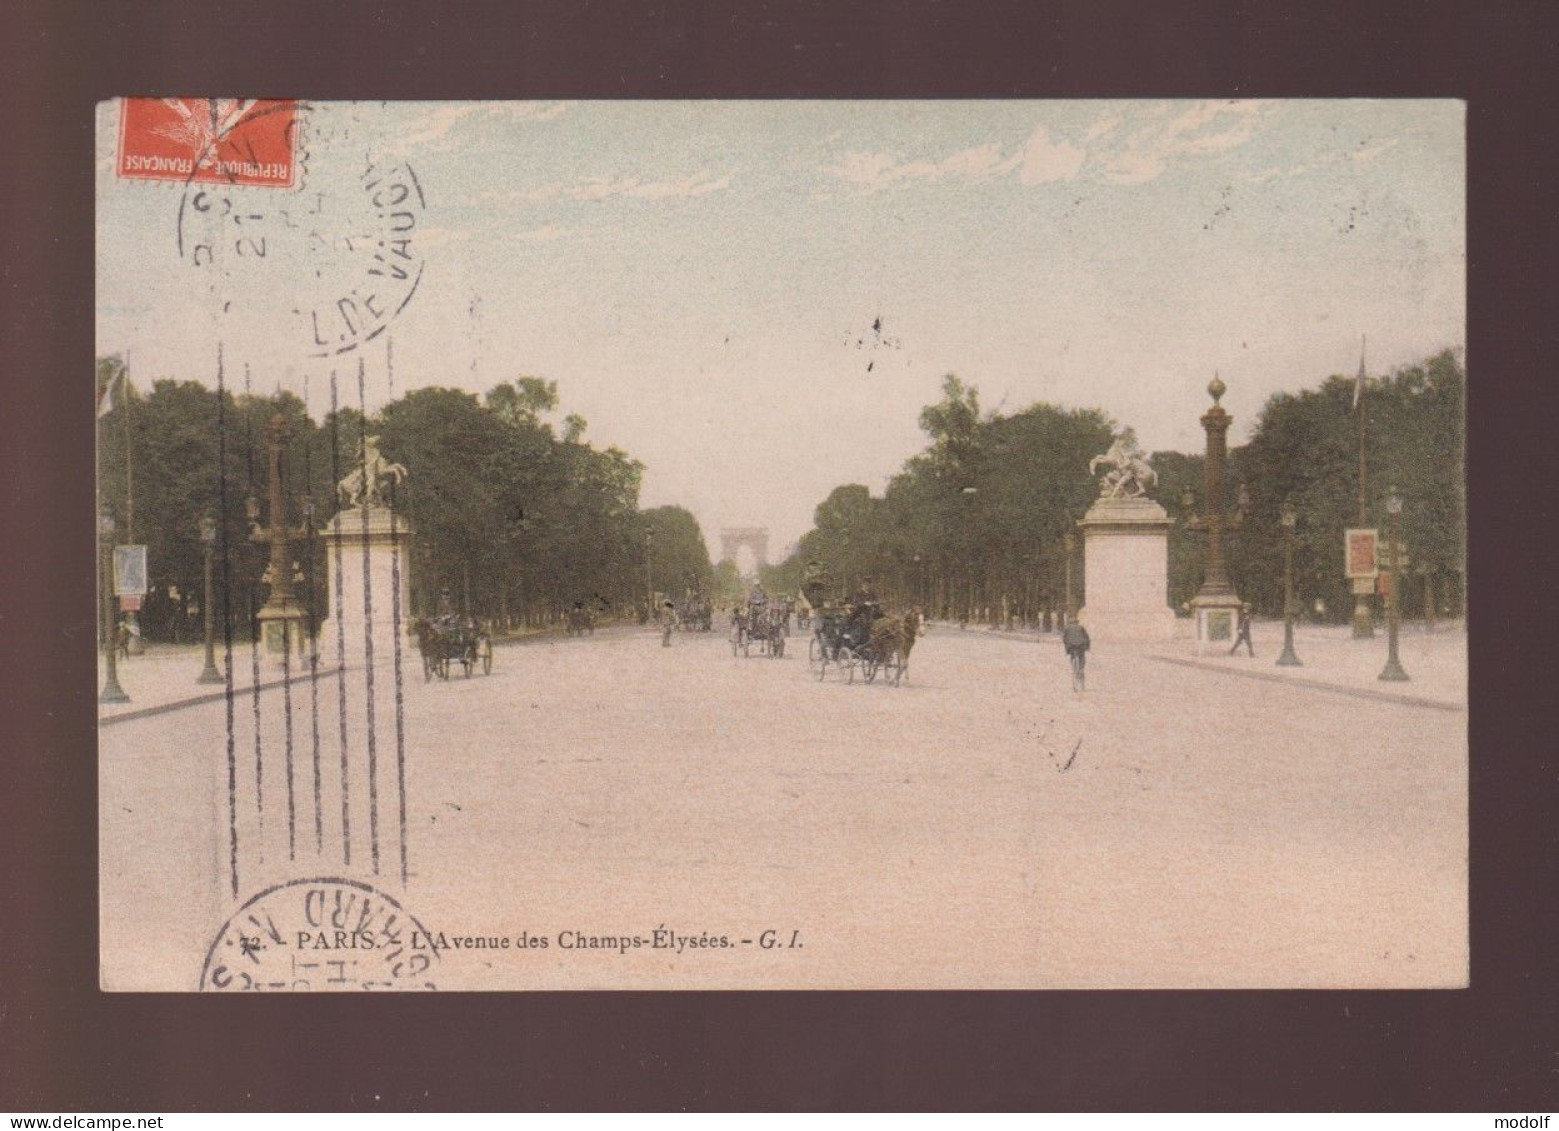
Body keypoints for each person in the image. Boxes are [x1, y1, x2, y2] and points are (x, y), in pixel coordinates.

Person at [1061, 615, 1090, 691]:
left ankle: (1074, 667)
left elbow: (1064, 639)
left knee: (1072, 656)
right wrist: (1088, 647)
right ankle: (1081, 669)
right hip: (1081, 646)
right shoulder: (1081, 628)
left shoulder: (1067, 628)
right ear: (1077, 622)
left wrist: (1067, 650)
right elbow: (1087, 638)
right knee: (1082, 658)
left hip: (1072, 647)